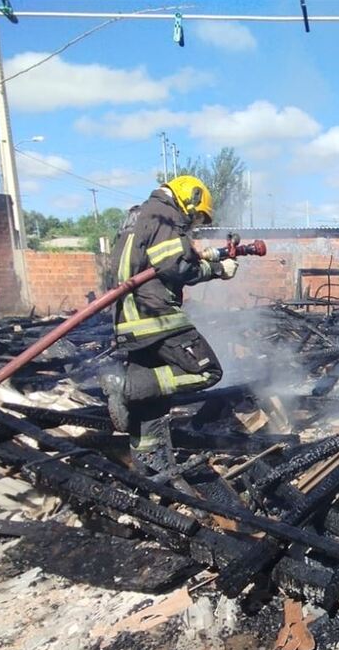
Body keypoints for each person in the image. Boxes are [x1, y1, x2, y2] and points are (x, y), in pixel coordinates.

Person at [101, 175, 237, 473]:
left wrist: (205, 254)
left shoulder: (139, 216)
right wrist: (218, 269)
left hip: (130, 320)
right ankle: (126, 387)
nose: (192, 225)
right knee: (208, 371)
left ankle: (149, 462)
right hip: (156, 316)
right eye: (195, 218)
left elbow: (160, 257)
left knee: (152, 399)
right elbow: (176, 267)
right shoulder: (165, 215)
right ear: (190, 198)